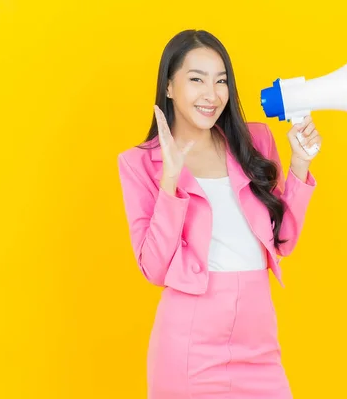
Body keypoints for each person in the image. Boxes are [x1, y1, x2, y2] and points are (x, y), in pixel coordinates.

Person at [117, 29, 322, 399]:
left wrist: (300, 166)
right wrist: (170, 179)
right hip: (189, 346)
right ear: (168, 87)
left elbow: (283, 242)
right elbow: (154, 268)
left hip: (259, 344)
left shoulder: (255, 143)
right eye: (196, 80)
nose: (211, 95)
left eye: (221, 81)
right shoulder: (140, 163)